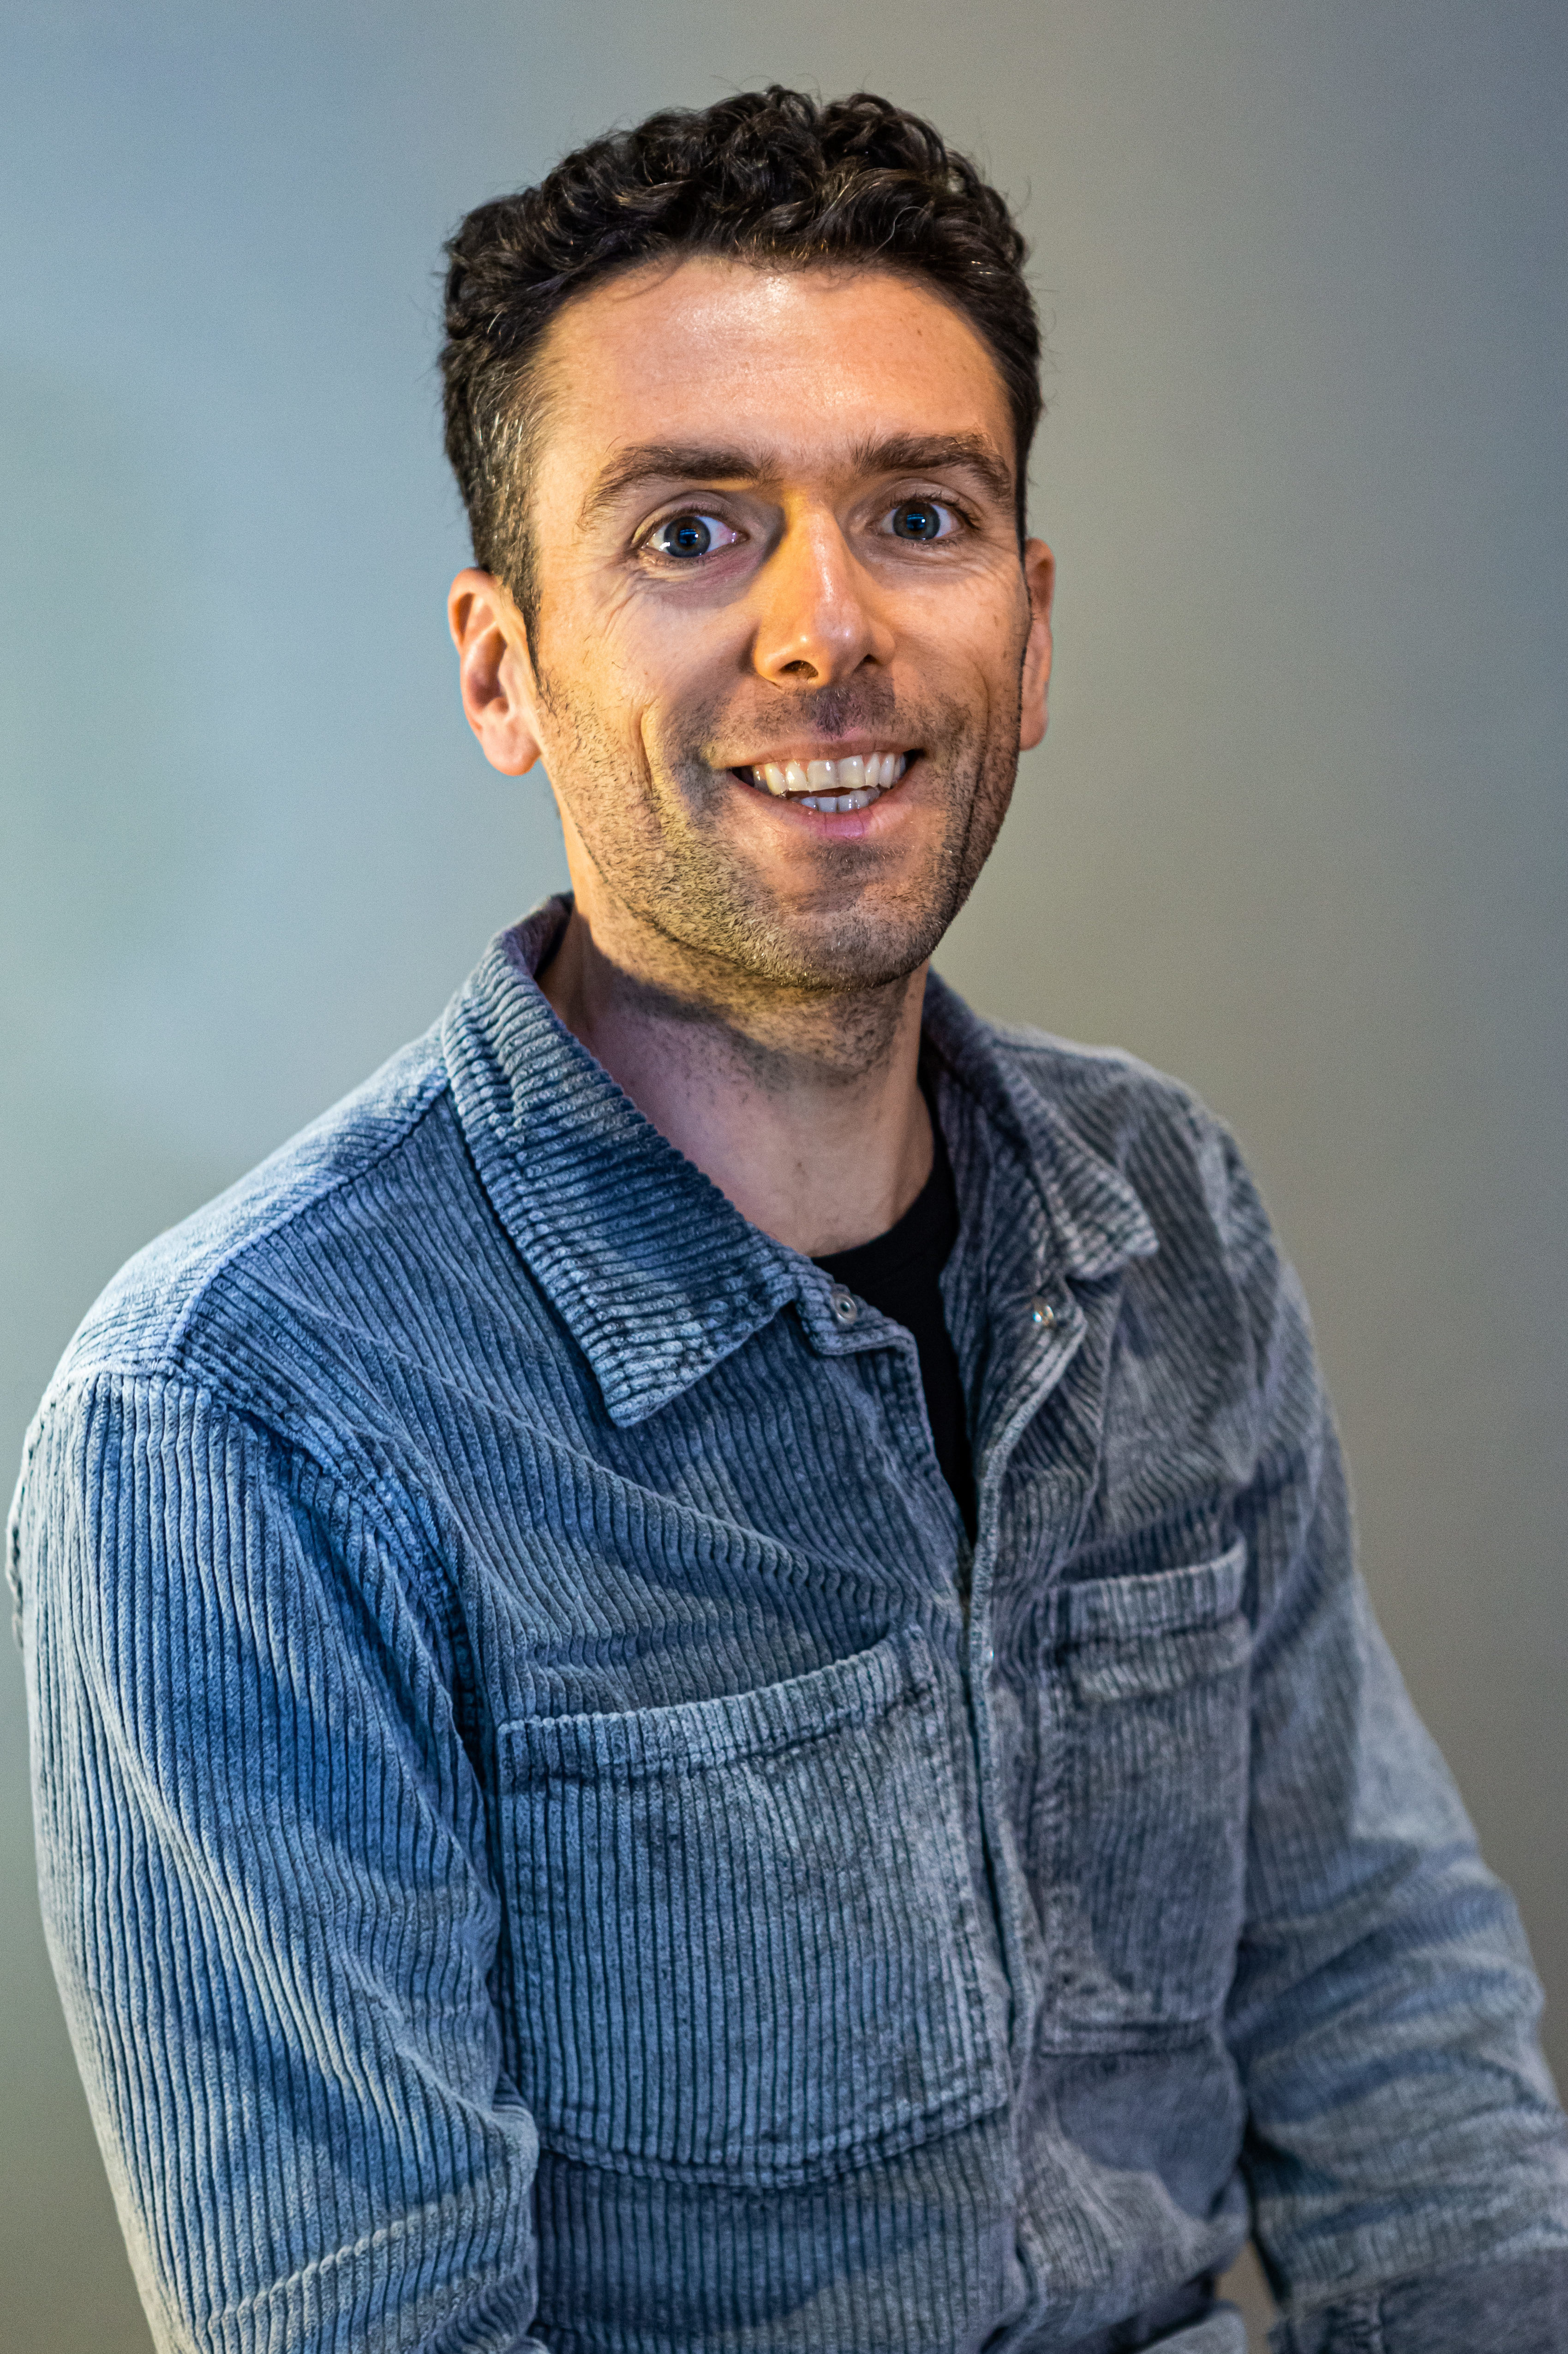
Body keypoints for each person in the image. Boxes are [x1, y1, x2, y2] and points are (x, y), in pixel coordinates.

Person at [10, 86, 1567, 2354]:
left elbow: (1372, 1987)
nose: (826, 631)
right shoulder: (234, 1425)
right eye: (690, 532)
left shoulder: (1168, 1217)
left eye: (917, 516)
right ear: (500, 666)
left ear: (1030, 628)